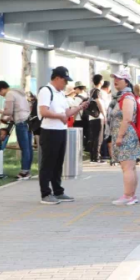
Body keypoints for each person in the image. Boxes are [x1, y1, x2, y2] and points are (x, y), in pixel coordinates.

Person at [38, 67, 87, 205]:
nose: (66, 84)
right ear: (58, 78)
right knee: (48, 163)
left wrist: (79, 107)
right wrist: (59, 116)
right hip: (49, 131)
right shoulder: (45, 91)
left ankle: (58, 191)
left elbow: (67, 113)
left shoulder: (61, 94)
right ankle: (45, 193)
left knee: (58, 163)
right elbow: (43, 111)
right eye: (65, 81)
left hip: (61, 130)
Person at [108, 69, 140, 205]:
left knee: (127, 167)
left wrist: (120, 136)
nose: (115, 80)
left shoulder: (127, 97)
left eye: (119, 78)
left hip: (126, 135)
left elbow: (126, 119)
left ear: (126, 81)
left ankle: (128, 196)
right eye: (114, 78)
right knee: (130, 167)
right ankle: (131, 195)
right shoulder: (121, 96)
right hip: (126, 134)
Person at [0, 80, 33, 179]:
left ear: (2, 89)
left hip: (20, 122)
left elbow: (9, 111)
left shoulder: (9, 94)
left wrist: (0, 111)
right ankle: (27, 170)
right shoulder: (19, 93)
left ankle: (24, 171)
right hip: (28, 121)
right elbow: (19, 109)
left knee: (24, 147)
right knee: (28, 147)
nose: (0, 95)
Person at [88, 74, 107, 165]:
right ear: (100, 82)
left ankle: (93, 157)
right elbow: (100, 103)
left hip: (92, 116)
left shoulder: (91, 91)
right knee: (98, 138)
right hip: (98, 116)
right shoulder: (99, 91)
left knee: (93, 137)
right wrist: (105, 114)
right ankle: (96, 157)